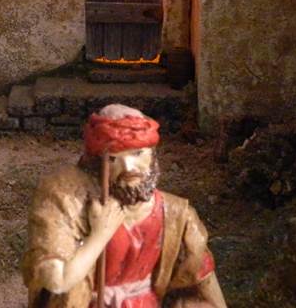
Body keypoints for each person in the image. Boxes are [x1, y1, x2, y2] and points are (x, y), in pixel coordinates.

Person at [21, 104, 227, 308]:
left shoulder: (176, 214)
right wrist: (99, 235)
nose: (128, 167)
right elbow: (56, 280)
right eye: (113, 158)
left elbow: (203, 276)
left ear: (152, 155)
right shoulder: (66, 200)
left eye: (137, 153)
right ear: (96, 162)